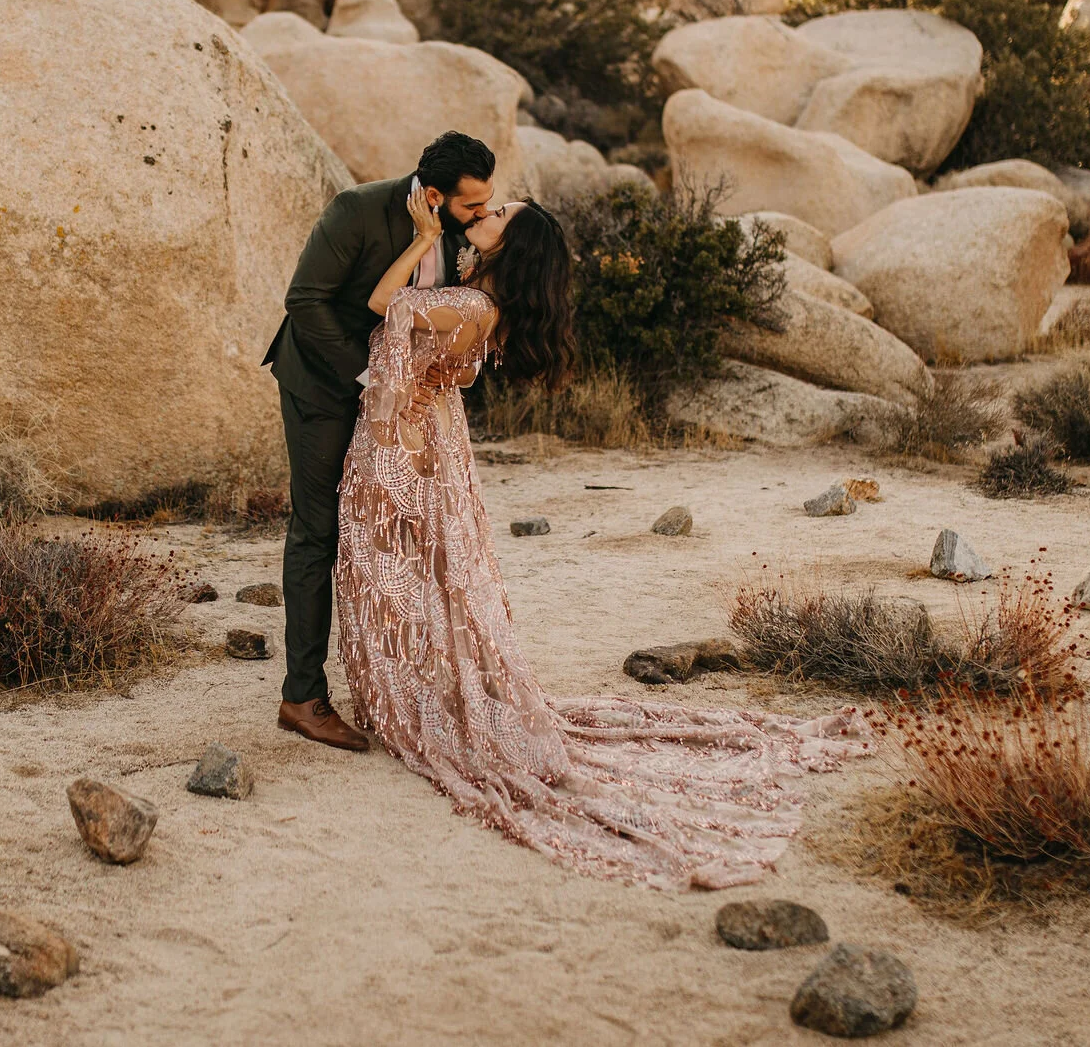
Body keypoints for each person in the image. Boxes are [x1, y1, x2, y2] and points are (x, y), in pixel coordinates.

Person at [328, 189, 866, 889]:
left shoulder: (470, 306)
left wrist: (424, 237)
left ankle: (415, 701)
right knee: (414, 577)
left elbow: (384, 305)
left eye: (498, 215)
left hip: (406, 449)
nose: (484, 216)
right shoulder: (482, 306)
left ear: (512, 247)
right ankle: (418, 693)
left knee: (396, 575)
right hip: (425, 443)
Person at [264, 131, 497, 750]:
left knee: (395, 536)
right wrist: (373, 380)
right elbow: (304, 301)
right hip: (325, 387)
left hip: (403, 408)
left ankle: (399, 682)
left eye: (486, 203)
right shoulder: (357, 210)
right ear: (436, 195)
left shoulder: (466, 235)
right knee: (318, 531)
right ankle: (302, 697)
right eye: (472, 204)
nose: (481, 213)